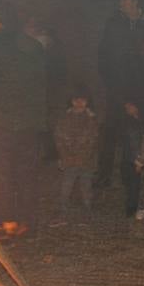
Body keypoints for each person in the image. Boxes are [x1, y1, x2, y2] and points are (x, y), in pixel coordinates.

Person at [0, 3, 47, 229]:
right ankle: (27, 219)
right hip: (29, 122)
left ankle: (2, 219)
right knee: (26, 171)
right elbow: (44, 83)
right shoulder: (34, 46)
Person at [96, 0, 144, 188]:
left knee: (136, 131)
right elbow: (104, 54)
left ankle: (134, 175)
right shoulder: (114, 24)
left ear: (136, 1)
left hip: (139, 88)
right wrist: (109, 79)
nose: (121, 2)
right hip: (117, 85)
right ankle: (104, 175)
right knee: (110, 131)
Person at [52, 86, 99, 221]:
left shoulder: (92, 119)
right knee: (66, 185)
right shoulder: (64, 118)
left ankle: (87, 209)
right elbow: (58, 138)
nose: (79, 103)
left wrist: (83, 156)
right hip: (68, 159)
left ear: (87, 102)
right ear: (72, 101)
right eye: (76, 100)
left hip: (87, 160)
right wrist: (65, 156)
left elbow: (94, 140)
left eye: (83, 100)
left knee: (86, 185)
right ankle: (63, 209)